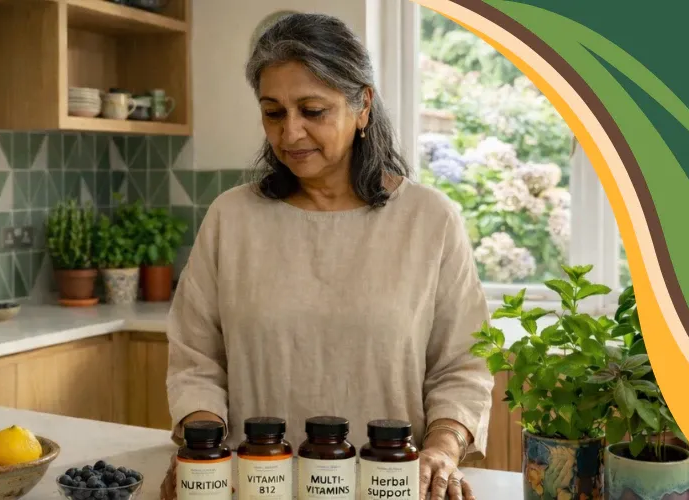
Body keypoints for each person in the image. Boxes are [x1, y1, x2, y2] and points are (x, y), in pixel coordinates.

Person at [160, 12, 494, 500]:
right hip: (255, 488)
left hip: (390, 488)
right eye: (273, 112)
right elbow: (196, 363)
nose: (290, 134)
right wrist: (202, 453)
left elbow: (462, 367)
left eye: (312, 111)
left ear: (362, 106)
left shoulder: (429, 220)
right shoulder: (231, 218)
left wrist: (441, 449)